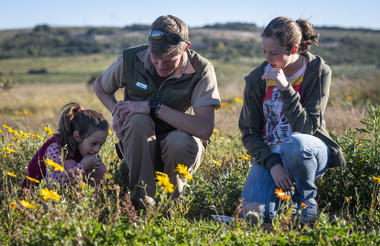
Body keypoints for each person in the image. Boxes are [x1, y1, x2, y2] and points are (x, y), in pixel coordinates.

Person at [93, 15, 221, 209]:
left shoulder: (202, 69)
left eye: (170, 60)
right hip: (139, 144)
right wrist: (116, 111)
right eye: (155, 59)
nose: (161, 66)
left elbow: (204, 128)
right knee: (137, 121)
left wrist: (153, 108)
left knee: (179, 141)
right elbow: (100, 86)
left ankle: (173, 204)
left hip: (178, 145)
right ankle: (141, 202)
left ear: (186, 48)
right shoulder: (131, 59)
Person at [239, 17, 345, 224]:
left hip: (308, 151)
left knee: (295, 144)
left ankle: (306, 204)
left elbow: (307, 127)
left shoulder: (317, 71)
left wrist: (285, 89)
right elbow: (249, 132)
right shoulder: (256, 79)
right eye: (264, 51)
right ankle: (280, 207)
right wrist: (273, 164)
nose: (267, 58)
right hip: (272, 155)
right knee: (253, 218)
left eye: (274, 53)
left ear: (293, 49)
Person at [21, 102, 108, 189]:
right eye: (94, 144)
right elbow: (53, 183)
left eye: (101, 144)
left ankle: (98, 198)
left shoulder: (81, 147)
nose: (97, 149)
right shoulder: (56, 147)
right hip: (34, 195)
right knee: (70, 164)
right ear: (77, 137)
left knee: (98, 167)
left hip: (60, 193)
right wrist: (83, 166)